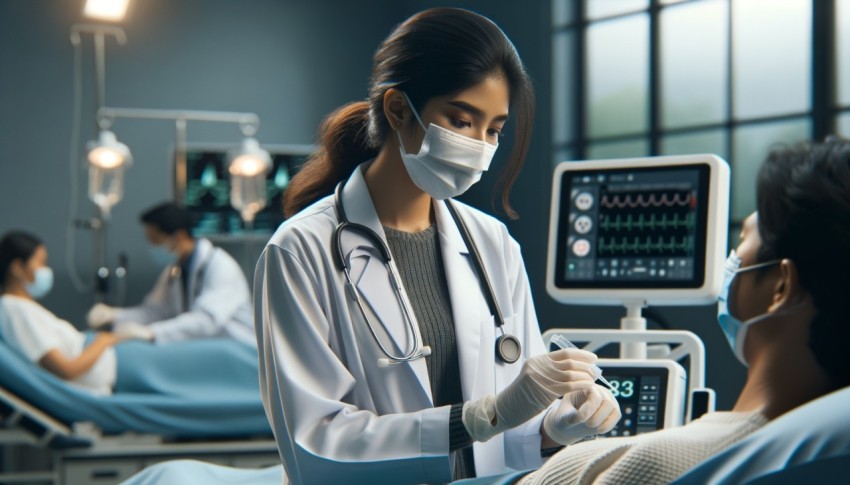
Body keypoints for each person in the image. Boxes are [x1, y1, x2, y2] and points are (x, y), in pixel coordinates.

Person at [254, 8, 620, 485]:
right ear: (398, 110)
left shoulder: (493, 245)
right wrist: (479, 418)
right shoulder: (301, 251)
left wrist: (554, 427)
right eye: (462, 120)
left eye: (494, 130)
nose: (481, 146)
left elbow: (509, 426)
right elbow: (315, 446)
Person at [507, 138, 850, 484]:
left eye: (743, 239)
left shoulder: (654, 465)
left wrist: (496, 418)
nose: (730, 258)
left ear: (781, 287)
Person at [87, 202, 254, 345]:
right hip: (206, 347)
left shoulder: (220, 266)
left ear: (179, 236)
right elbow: (155, 311)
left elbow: (206, 320)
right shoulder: (174, 271)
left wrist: (152, 333)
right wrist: (115, 316)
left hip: (235, 347)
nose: (152, 248)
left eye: (156, 240)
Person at [0, 231, 137, 395]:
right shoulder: (14, 310)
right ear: (17, 267)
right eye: (41, 263)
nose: (46, 270)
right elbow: (66, 369)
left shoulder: (19, 307)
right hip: (116, 366)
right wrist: (103, 341)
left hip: (114, 362)